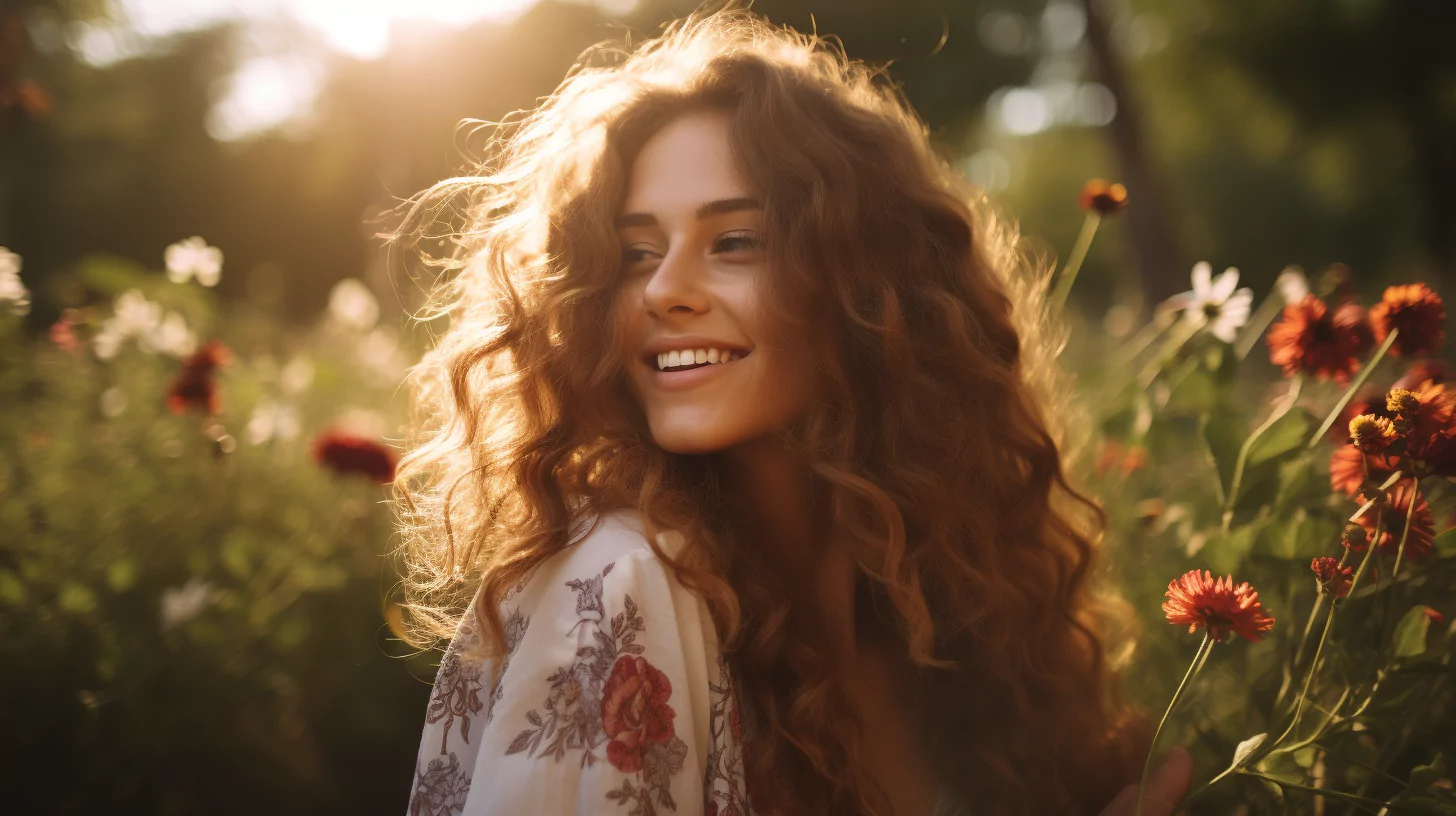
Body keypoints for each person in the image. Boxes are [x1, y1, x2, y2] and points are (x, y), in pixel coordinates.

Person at [391, 6, 1192, 815]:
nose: (664, 290)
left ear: (869, 289)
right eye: (636, 255)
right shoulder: (621, 587)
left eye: (734, 242)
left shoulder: (936, 619)